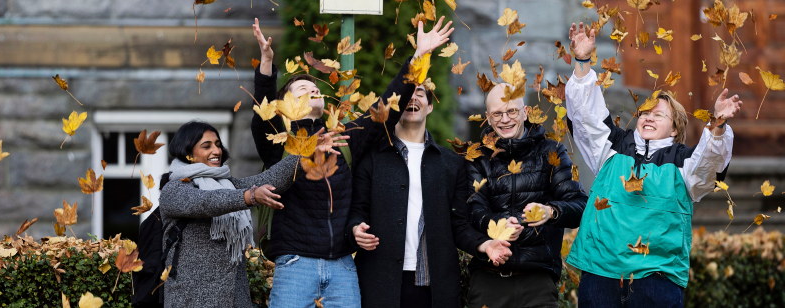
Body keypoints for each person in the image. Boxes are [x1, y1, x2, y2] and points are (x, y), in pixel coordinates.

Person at [249, 17, 454, 307]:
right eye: (302, 89)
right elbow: (262, 118)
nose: (312, 89)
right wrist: (267, 66)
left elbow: (386, 109)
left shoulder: (344, 140)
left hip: (342, 267)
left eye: (314, 87)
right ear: (284, 105)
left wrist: (419, 56)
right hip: (296, 264)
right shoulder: (279, 143)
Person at [563, 23, 742, 307]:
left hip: (657, 279)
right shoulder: (613, 147)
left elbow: (710, 163)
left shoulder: (684, 162)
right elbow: (586, 116)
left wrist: (717, 124)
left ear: (675, 129)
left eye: (659, 115)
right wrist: (583, 62)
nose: (648, 117)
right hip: (601, 274)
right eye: (646, 112)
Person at [349, 81, 513, 308]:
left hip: (435, 286)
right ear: (395, 104)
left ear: (430, 106)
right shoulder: (373, 158)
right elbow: (357, 210)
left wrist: (484, 245)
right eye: (407, 94)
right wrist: (356, 228)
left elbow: (459, 224)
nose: (413, 99)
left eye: (420, 94)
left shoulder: (451, 163)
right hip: (380, 282)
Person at [158, 121, 346, 307]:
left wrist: (306, 152)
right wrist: (249, 196)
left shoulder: (228, 184)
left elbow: (270, 179)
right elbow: (205, 202)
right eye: (206, 146)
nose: (216, 151)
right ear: (188, 154)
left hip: (234, 298)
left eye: (217, 145)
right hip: (191, 298)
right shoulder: (174, 189)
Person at [465, 82, 588, 308]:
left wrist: (551, 211)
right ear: (488, 117)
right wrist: (499, 225)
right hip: (488, 278)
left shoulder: (551, 152)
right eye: (497, 114)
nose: (505, 119)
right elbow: (474, 209)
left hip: (537, 279)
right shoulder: (477, 158)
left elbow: (580, 205)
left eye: (511, 111)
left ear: (525, 111)